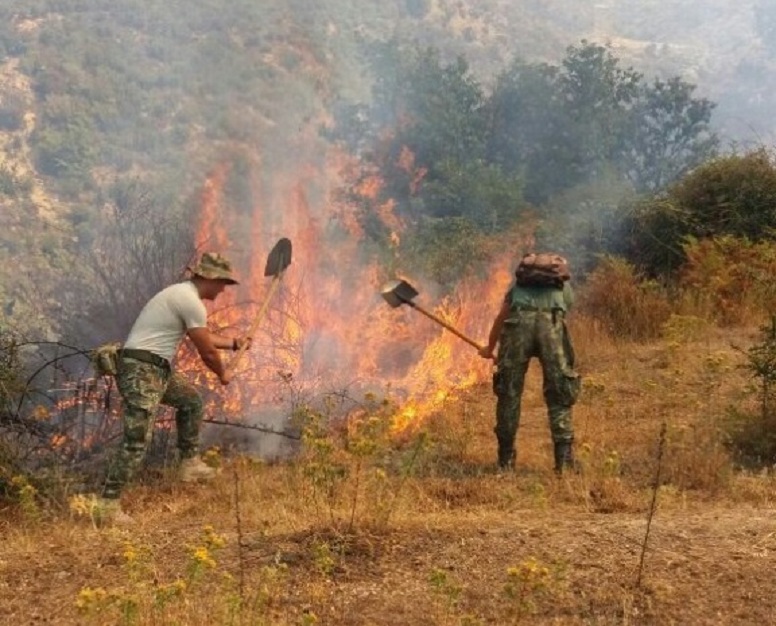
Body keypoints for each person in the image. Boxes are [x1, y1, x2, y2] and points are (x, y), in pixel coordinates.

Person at [98, 252, 251, 523]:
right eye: (222, 283)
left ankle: (188, 463)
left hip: (156, 369)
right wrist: (222, 373)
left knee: (191, 402)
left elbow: (203, 336)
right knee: (137, 440)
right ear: (209, 278)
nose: (223, 289)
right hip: (142, 370)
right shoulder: (189, 300)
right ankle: (107, 506)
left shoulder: (183, 295)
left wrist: (234, 344)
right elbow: (207, 352)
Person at [478, 263, 580, 474]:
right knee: (560, 392)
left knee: (509, 394)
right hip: (551, 329)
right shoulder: (563, 287)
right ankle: (564, 462)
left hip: (518, 330)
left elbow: (501, 317)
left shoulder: (517, 287)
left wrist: (490, 347)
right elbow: (565, 310)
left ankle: (505, 461)